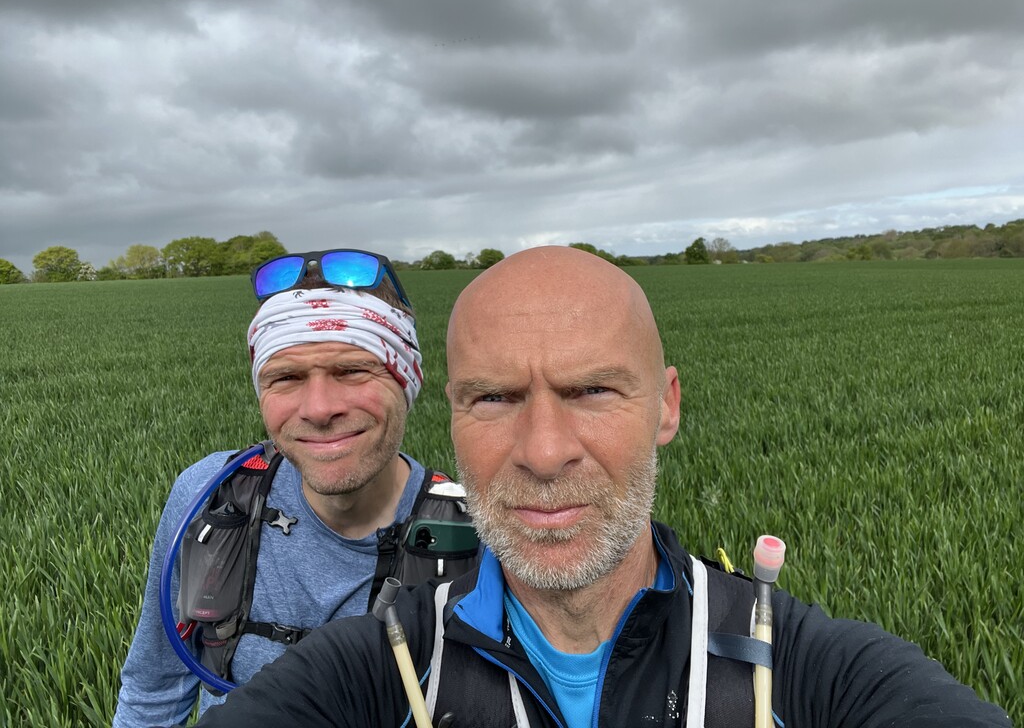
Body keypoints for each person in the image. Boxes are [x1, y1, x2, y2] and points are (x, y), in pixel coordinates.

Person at [192, 245, 1011, 727]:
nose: (545, 453)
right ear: (454, 418)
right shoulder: (381, 664)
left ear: (666, 406)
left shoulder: (799, 667)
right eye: (495, 398)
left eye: (592, 390)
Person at [114, 248, 477, 727]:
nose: (319, 408)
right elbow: (153, 693)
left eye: (352, 370)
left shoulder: (475, 534)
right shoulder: (211, 496)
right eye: (286, 377)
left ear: (407, 378)